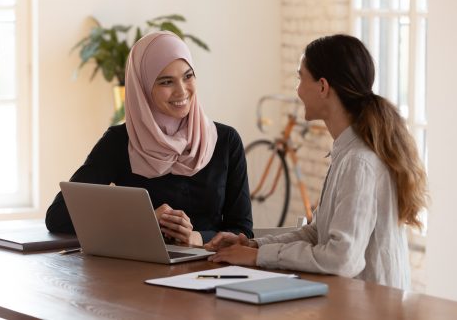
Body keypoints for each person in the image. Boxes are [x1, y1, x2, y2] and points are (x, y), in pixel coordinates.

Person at [204, 34, 428, 289]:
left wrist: (258, 257)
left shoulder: (359, 162)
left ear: (323, 87)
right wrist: (253, 245)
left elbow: (342, 259)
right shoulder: (347, 152)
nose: (297, 90)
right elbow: (316, 232)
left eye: (300, 78)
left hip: (371, 308)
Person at [46, 31, 253, 245]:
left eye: (188, 76)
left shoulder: (226, 141)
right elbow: (58, 218)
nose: (181, 91)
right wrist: (144, 221)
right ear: (143, 87)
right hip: (138, 272)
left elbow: (242, 230)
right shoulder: (119, 142)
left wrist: (196, 237)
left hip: (209, 271)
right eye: (166, 82)